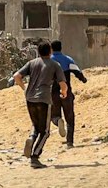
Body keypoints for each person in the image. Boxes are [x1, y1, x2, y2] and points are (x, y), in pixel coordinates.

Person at [13, 40, 60, 168]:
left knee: (36, 125)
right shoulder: (54, 64)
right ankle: (35, 157)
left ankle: (31, 139)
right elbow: (63, 83)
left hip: (29, 98)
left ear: (38, 52)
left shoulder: (31, 63)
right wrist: (65, 93)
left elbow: (16, 76)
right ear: (50, 51)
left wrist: (24, 88)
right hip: (44, 99)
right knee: (45, 132)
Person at [49, 41, 89, 149]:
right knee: (70, 118)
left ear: (51, 49)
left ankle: (58, 121)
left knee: (53, 115)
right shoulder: (67, 59)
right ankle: (70, 142)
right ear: (61, 48)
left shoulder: (48, 61)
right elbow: (77, 72)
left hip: (53, 93)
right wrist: (83, 79)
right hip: (67, 92)